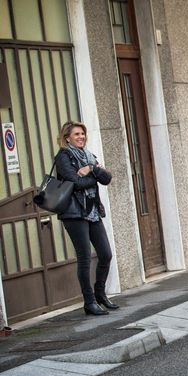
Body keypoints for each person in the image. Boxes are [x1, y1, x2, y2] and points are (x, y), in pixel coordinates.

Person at [55, 121, 118, 315]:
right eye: (76, 134)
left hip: (92, 211)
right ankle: (89, 302)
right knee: (84, 259)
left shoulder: (89, 156)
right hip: (74, 214)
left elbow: (107, 178)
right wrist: (96, 174)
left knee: (106, 254)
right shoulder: (63, 157)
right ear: (67, 138)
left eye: (83, 133)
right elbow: (76, 183)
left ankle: (100, 294)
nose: (81, 137)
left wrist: (91, 168)